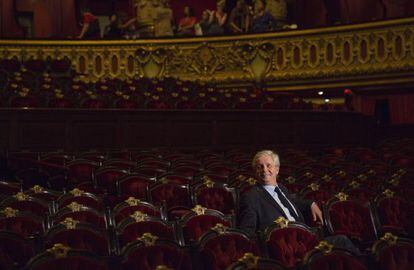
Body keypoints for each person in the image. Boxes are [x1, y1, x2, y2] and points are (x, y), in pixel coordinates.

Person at [238, 150, 361, 253]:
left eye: (268, 165)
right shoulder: (251, 197)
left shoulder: (281, 189)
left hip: (306, 240)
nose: (264, 170)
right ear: (255, 172)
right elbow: (247, 232)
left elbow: (292, 202)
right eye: (259, 167)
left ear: (277, 169)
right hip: (287, 248)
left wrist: (311, 204)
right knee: (342, 241)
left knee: (343, 244)